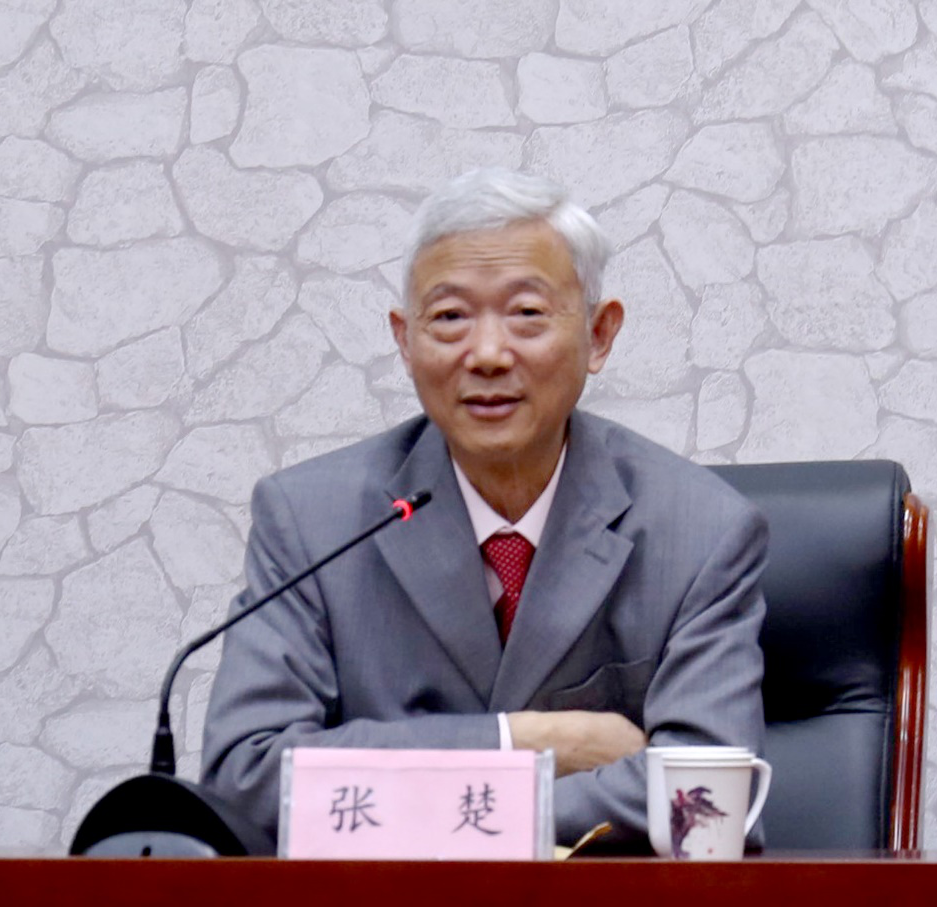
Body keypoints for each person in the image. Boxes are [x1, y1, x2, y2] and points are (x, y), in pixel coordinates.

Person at [201, 168, 768, 849]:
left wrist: (426, 791)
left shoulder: (701, 530)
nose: (489, 354)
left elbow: (705, 803)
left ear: (598, 335)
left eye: (527, 313)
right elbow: (246, 778)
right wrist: (521, 741)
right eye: (449, 318)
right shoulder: (310, 521)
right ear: (404, 340)